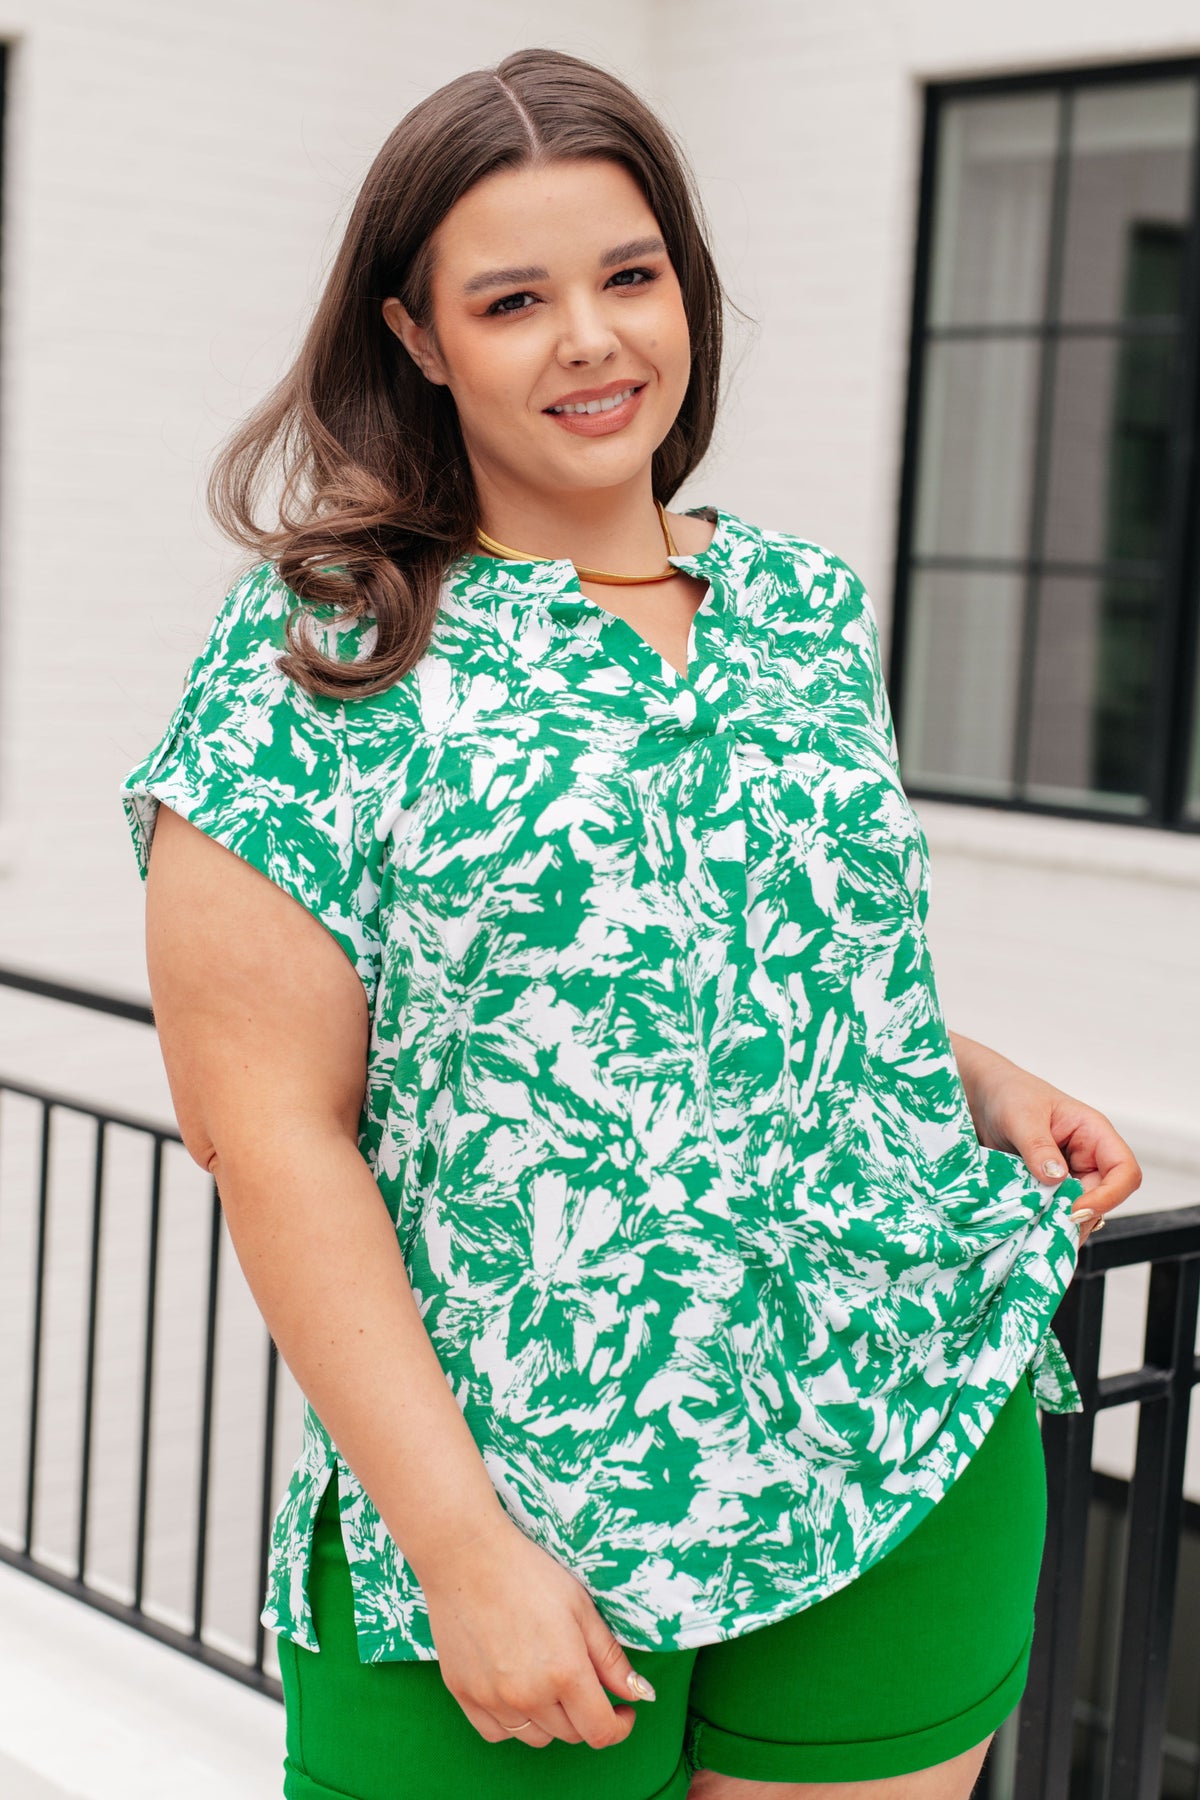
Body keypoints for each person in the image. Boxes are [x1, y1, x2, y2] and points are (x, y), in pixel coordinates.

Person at [117, 45, 1141, 1800]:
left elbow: (730, 947)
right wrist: (459, 1550)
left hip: (902, 1426)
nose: (590, 340)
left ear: (685, 289)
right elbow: (265, 1132)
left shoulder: (804, 609)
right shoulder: (322, 652)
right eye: (514, 299)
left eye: (630, 275)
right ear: (419, 337)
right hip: (526, 1503)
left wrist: (968, 1076)